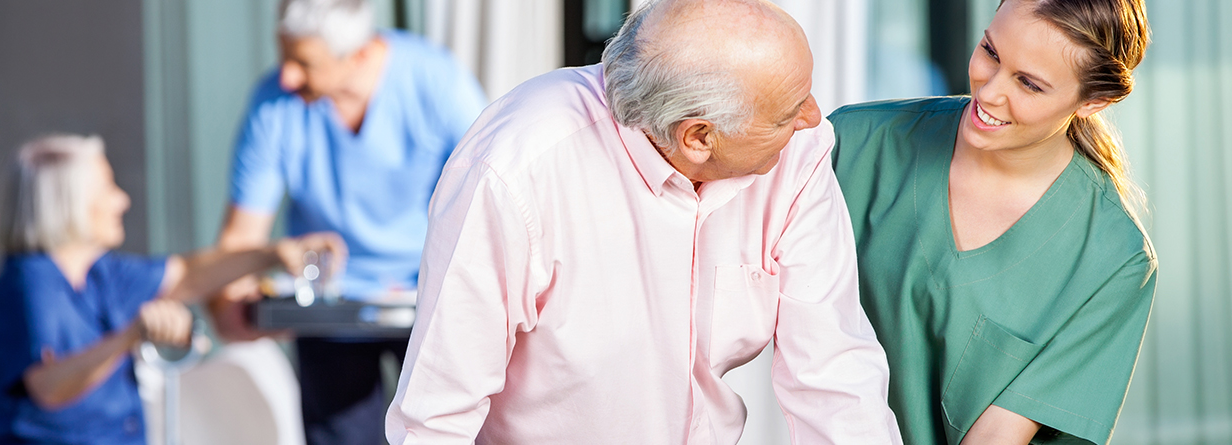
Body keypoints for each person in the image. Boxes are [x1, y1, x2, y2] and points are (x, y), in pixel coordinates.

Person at [385, 0, 903, 443]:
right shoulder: (515, 169)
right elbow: (436, 415)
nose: (814, 118)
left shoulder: (799, 155)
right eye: (789, 111)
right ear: (697, 138)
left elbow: (834, 377)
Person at [826, 0, 1157, 443]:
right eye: (991, 52)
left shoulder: (1114, 260)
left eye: (1029, 84)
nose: (988, 92)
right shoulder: (852, 145)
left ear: (1093, 102)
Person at [208, 0, 488, 443]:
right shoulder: (273, 105)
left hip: (431, 300)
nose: (288, 76)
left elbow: (489, 208)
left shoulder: (438, 84)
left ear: (360, 54)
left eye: (304, 62)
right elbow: (241, 237)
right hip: (330, 310)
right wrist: (229, 309)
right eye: (284, 57)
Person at [0, 134, 335, 445]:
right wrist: (129, 337)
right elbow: (49, 387)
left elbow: (188, 276)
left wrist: (272, 254)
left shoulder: (103, 273)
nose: (122, 201)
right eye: (108, 188)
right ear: (68, 202)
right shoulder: (30, 283)